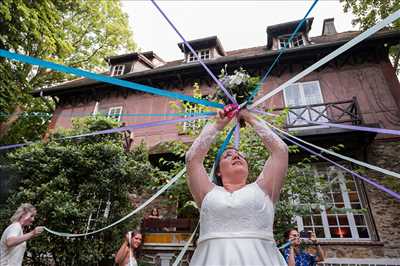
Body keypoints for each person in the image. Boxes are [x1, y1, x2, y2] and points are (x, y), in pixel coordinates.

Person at [186, 108, 289, 265]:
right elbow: (192, 159)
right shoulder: (206, 192)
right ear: (218, 171)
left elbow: (280, 151)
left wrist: (249, 117)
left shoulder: (264, 188)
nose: (236, 155)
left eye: (241, 155)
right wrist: (216, 126)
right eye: (228, 155)